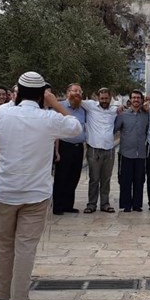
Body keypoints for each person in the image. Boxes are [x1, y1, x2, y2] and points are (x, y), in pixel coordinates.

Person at [0, 72, 82, 300]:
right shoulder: (49, 118)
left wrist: (12, 102)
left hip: (6, 192)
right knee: (25, 247)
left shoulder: (3, 113)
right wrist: (55, 103)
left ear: (17, 92)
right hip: (36, 194)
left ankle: (2, 294)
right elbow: (75, 127)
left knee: (4, 245)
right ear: (42, 95)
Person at [82, 88, 119, 214]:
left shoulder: (114, 110)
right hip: (94, 149)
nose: (104, 101)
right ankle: (91, 204)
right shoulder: (90, 106)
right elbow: (76, 100)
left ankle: (105, 204)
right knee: (94, 178)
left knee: (106, 179)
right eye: (102, 98)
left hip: (109, 150)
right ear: (98, 98)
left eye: (106, 98)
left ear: (110, 98)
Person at [52, 83, 86, 215]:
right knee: (62, 176)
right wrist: (56, 151)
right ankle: (58, 206)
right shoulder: (59, 107)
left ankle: (68, 205)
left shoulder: (83, 109)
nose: (77, 93)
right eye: (74, 91)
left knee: (74, 176)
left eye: (79, 91)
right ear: (67, 93)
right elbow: (55, 129)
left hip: (78, 148)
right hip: (64, 147)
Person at [114, 90, 149, 213]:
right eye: (134, 98)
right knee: (125, 180)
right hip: (126, 153)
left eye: (138, 98)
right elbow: (115, 129)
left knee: (139, 180)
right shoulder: (123, 115)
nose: (136, 100)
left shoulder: (146, 115)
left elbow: (148, 130)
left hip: (141, 153)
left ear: (142, 100)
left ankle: (137, 205)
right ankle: (126, 205)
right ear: (130, 99)